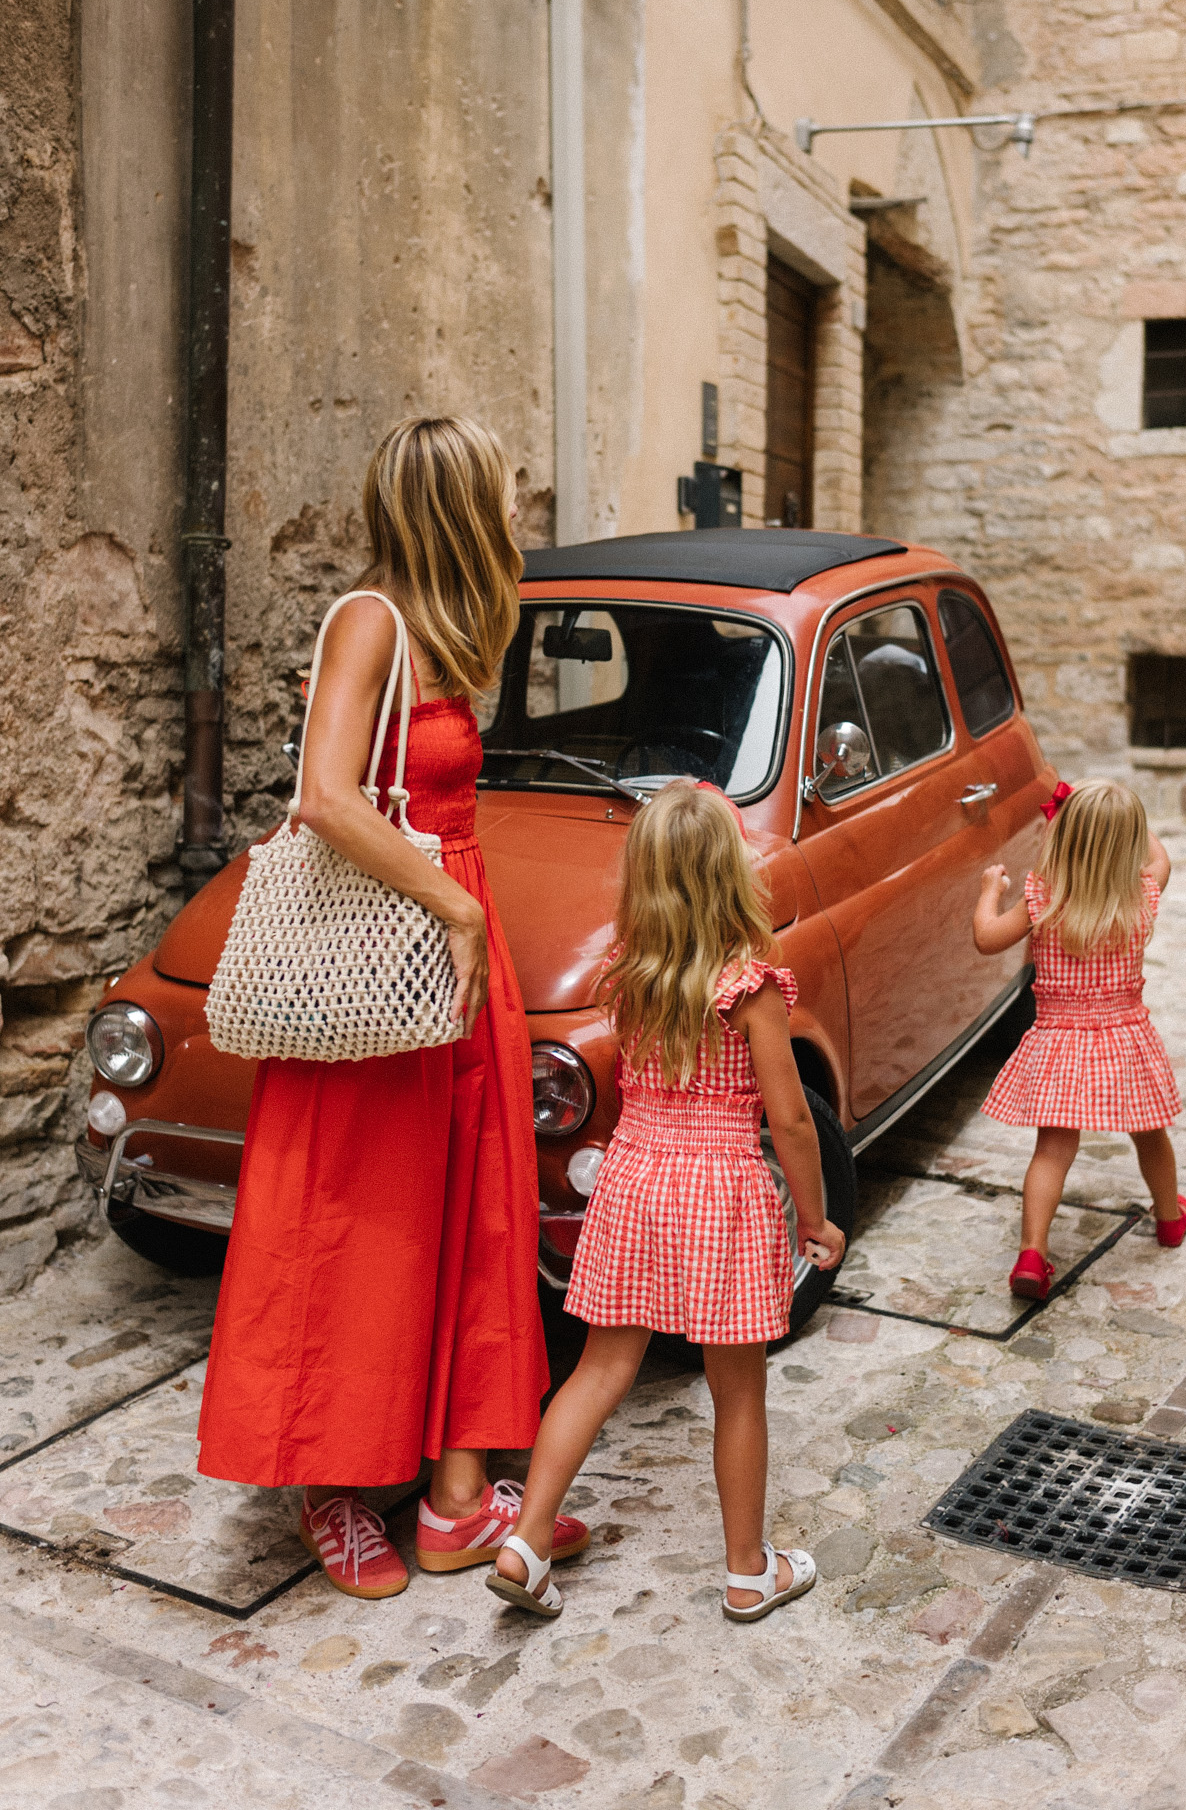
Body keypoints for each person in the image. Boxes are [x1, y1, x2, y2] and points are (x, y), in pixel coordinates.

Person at [197, 417, 585, 1598]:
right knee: (350, 1220)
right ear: (455, 505)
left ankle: (459, 1499)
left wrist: (468, 918)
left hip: (455, 949)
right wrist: (458, 912)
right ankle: (328, 1480)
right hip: (395, 946)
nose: (517, 512)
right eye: (503, 493)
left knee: (470, 1212)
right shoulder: (370, 621)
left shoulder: (449, 633)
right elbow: (324, 798)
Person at [484, 780, 845, 1624]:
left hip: (636, 1176)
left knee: (601, 1369)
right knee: (739, 1392)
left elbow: (624, 1081)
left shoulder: (629, 975)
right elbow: (789, 1117)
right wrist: (815, 1216)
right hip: (719, 1185)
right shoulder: (750, 987)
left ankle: (527, 1542)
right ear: (731, 874)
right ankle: (749, 1570)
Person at [972, 778, 1186, 1301]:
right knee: (1150, 1133)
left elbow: (985, 938)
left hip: (1058, 1042)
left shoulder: (1041, 898)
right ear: (1130, 844)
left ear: (1063, 836)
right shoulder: (1143, 893)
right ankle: (1168, 1217)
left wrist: (989, 892)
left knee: (1052, 1151)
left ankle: (1032, 1252)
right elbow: (1162, 858)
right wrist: (1132, 826)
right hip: (1124, 1040)